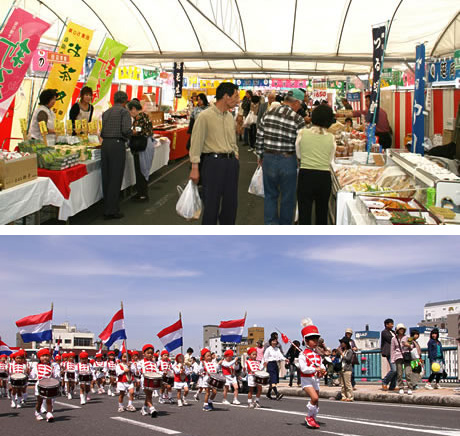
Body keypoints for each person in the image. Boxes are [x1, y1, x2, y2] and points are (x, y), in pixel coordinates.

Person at [189, 82, 240, 225]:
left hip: (231, 164)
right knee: (211, 204)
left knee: (231, 204)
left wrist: (235, 153)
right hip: (213, 164)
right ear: (225, 96)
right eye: (235, 96)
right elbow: (196, 142)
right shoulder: (205, 116)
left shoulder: (229, 117)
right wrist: (194, 167)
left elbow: (233, 140)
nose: (238, 100)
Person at [256, 89, 306, 225]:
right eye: (300, 104)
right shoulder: (298, 119)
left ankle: (271, 227)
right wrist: (300, 161)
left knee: (270, 196)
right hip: (288, 160)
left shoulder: (268, 114)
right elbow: (301, 145)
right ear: (296, 102)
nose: (300, 108)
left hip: (269, 158)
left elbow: (259, 135)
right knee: (288, 198)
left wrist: (260, 155)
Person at [296, 104, 336, 225]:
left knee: (304, 213)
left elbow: (298, 154)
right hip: (324, 178)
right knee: (322, 213)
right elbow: (330, 160)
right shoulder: (331, 137)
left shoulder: (302, 133)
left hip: (306, 175)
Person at [100, 90, 132, 220]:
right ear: (125, 101)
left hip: (105, 145)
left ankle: (107, 207)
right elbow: (125, 130)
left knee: (106, 177)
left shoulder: (106, 112)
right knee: (115, 177)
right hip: (117, 145)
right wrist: (131, 134)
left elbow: (102, 131)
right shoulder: (124, 112)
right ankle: (112, 210)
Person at [298, 319, 326, 430]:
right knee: (314, 398)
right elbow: (304, 369)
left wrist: (323, 370)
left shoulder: (317, 355)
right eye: (312, 340)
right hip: (307, 380)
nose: (315, 342)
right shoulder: (303, 354)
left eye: (316, 339)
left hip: (316, 380)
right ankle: (309, 417)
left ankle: (313, 418)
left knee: (317, 401)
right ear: (306, 341)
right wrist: (315, 369)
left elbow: (321, 365)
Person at [127, 99, 154, 202]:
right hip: (147, 144)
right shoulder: (145, 116)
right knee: (144, 169)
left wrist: (127, 131)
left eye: (129, 111)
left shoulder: (139, 118)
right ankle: (142, 192)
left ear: (133, 109)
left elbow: (137, 131)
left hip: (142, 146)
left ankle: (142, 194)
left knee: (141, 169)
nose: (130, 114)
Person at [31, 348, 60, 422]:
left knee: (49, 400)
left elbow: (55, 376)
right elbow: (32, 376)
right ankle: (37, 412)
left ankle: (49, 414)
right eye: (43, 356)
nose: (45, 357)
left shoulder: (52, 366)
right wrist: (28, 372)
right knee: (39, 401)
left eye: (47, 356)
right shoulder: (36, 366)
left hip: (49, 384)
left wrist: (59, 373)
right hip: (39, 385)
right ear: (39, 357)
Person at [390, 323, 414, 395]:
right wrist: (392, 359)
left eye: (403, 329)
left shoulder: (408, 337)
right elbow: (392, 349)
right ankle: (401, 387)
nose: (401, 330)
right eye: (400, 329)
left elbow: (412, 346)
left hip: (406, 356)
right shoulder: (394, 338)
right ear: (397, 330)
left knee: (408, 373)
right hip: (398, 356)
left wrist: (408, 345)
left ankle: (409, 387)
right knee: (399, 373)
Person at [139, 344, 159, 417]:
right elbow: (136, 370)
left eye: (151, 353)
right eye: (148, 353)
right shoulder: (141, 362)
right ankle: (152, 408)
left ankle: (144, 408)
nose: (150, 355)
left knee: (149, 395)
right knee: (148, 395)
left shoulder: (154, 363)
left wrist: (162, 374)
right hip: (144, 380)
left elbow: (156, 371)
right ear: (144, 354)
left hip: (152, 380)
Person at [381, 318, 397, 391]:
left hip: (396, 353)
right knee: (394, 369)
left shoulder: (393, 332)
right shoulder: (384, 332)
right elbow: (391, 339)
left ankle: (392, 386)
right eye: (391, 324)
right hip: (389, 352)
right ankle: (385, 381)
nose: (392, 325)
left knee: (397, 370)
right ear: (387, 324)